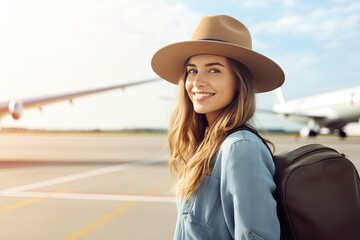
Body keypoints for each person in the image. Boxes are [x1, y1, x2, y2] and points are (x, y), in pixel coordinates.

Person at [151, 15, 284, 240]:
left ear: (239, 82)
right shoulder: (207, 145)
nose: (197, 82)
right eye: (192, 71)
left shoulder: (241, 148)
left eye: (214, 70)